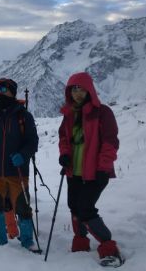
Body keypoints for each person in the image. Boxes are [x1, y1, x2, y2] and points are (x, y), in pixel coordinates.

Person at [58, 72, 123, 267]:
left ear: (89, 89)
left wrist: (104, 167)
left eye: (81, 88)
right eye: (73, 89)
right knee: (74, 206)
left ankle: (109, 247)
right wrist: (64, 154)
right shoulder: (70, 114)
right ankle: (81, 241)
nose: (77, 93)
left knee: (85, 208)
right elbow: (63, 138)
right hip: (74, 171)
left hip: (96, 172)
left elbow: (111, 142)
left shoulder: (102, 112)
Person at [0, 78, 39, 251]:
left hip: (17, 172)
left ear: (12, 91)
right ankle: (0, 241)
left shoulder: (23, 116)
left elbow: (32, 141)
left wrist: (23, 154)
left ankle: (27, 242)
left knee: (22, 207)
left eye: (3, 89)